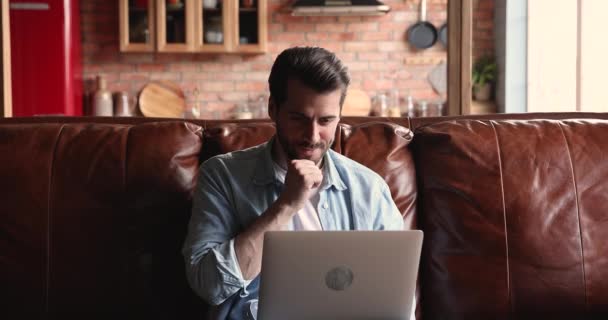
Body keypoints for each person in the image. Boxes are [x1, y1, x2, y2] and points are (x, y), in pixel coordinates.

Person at [182, 46, 412, 320]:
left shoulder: (369, 188)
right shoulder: (222, 176)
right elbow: (210, 285)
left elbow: (396, 298)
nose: (313, 136)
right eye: (298, 118)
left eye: (326, 120)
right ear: (273, 109)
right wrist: (286, 206)